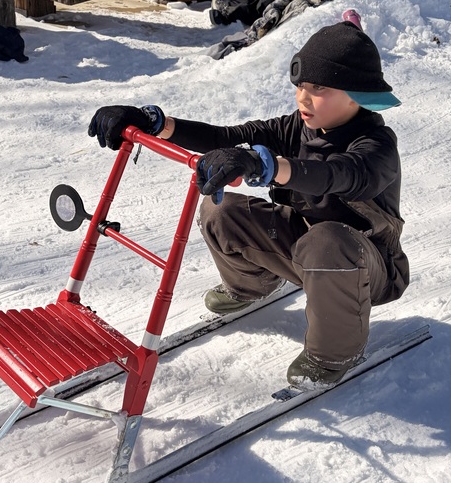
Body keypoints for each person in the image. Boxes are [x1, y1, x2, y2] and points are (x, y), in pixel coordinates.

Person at [87, 20, 410, 388]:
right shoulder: (298, 128)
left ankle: (334, 353)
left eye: (319, 88)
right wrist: (155, 122)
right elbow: (228, 136)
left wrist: (270, 165)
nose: (303, 98)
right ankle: (251, 283)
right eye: (300, 86)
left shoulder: (377, 146)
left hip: (367, 268)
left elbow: (337, 174)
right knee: (219, 209)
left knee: (327, 242)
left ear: (356, 93)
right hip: (305, 249)